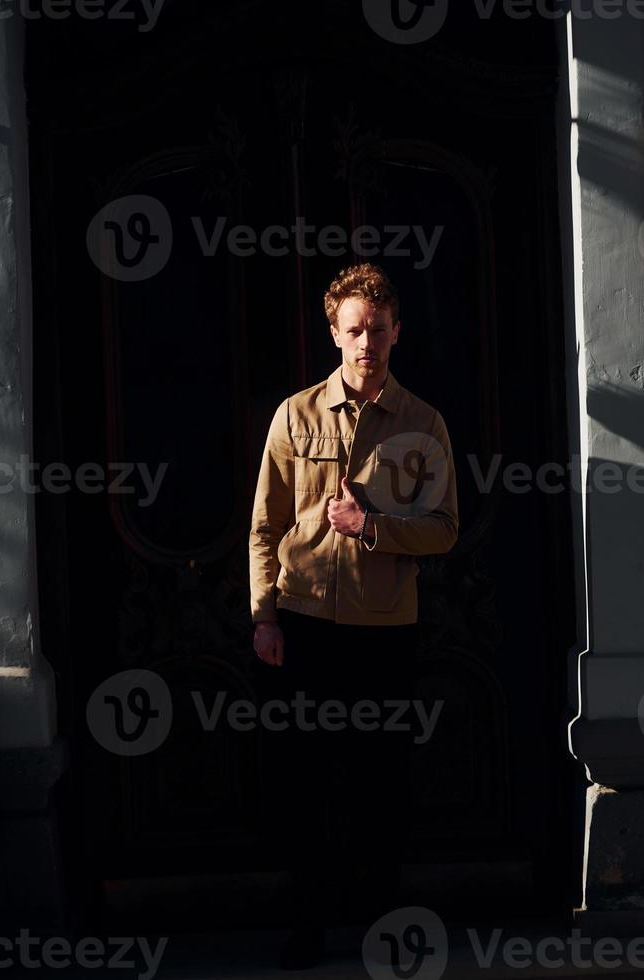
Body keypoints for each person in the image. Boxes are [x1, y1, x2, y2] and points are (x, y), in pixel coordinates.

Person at [249, 263, 459, 969]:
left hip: (383, 631)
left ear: (397, 331)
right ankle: (307, 925)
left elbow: (444, 529)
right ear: (334, 334)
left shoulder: (423, 423)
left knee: (380, 785)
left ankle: (382, 927)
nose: (365, 341)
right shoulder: (294, 414)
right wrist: (265, 616)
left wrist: (372, 526)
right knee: (302, 782)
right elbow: (264, 527)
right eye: (353, 330)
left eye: (377, 328)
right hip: (304, 625)